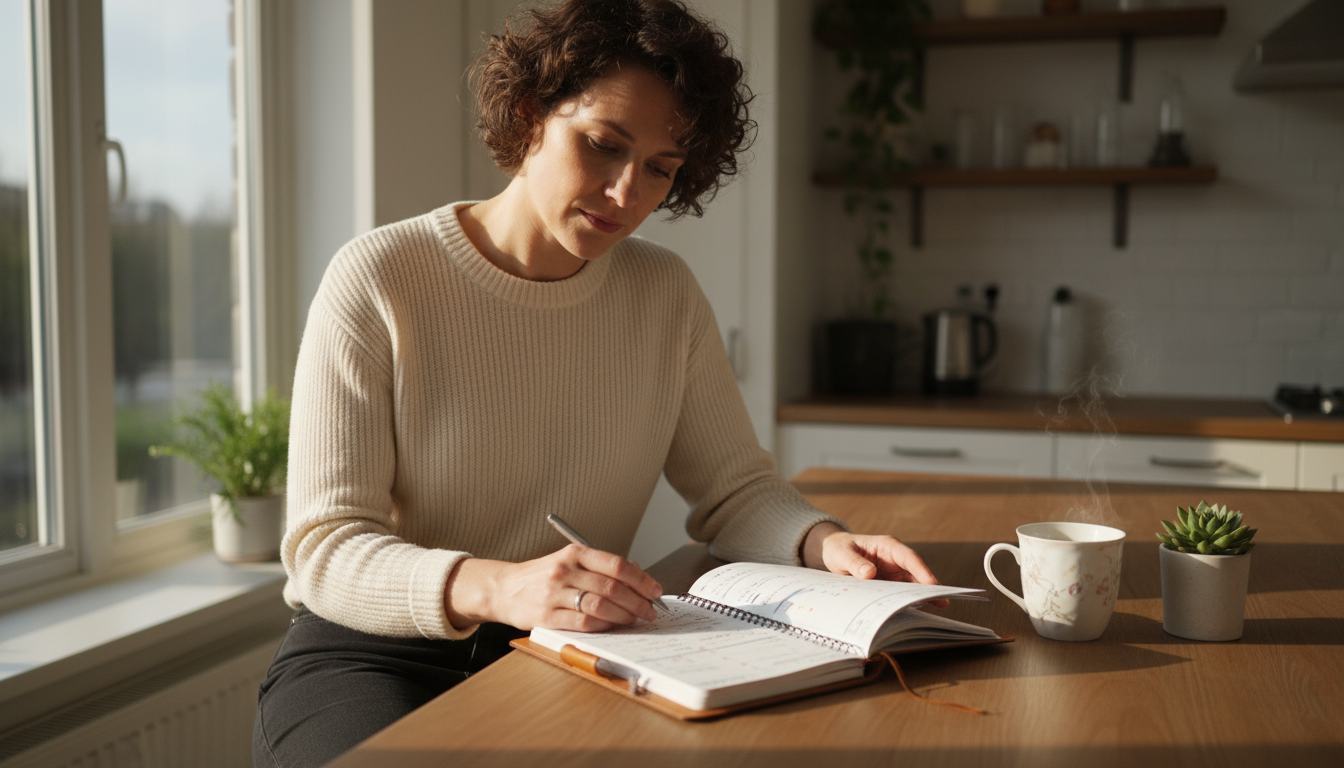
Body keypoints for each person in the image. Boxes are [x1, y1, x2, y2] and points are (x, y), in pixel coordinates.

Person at [253, 1, 942, 766]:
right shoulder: (379, 279)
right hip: (372, 655)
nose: (626, 194)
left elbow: (736, 490)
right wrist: (499, 587)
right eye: (602, 145)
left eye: (660, 169)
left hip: (565, 651)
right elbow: (324, 549)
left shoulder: (664, 294)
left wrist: (823, 541)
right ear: (529, 115)